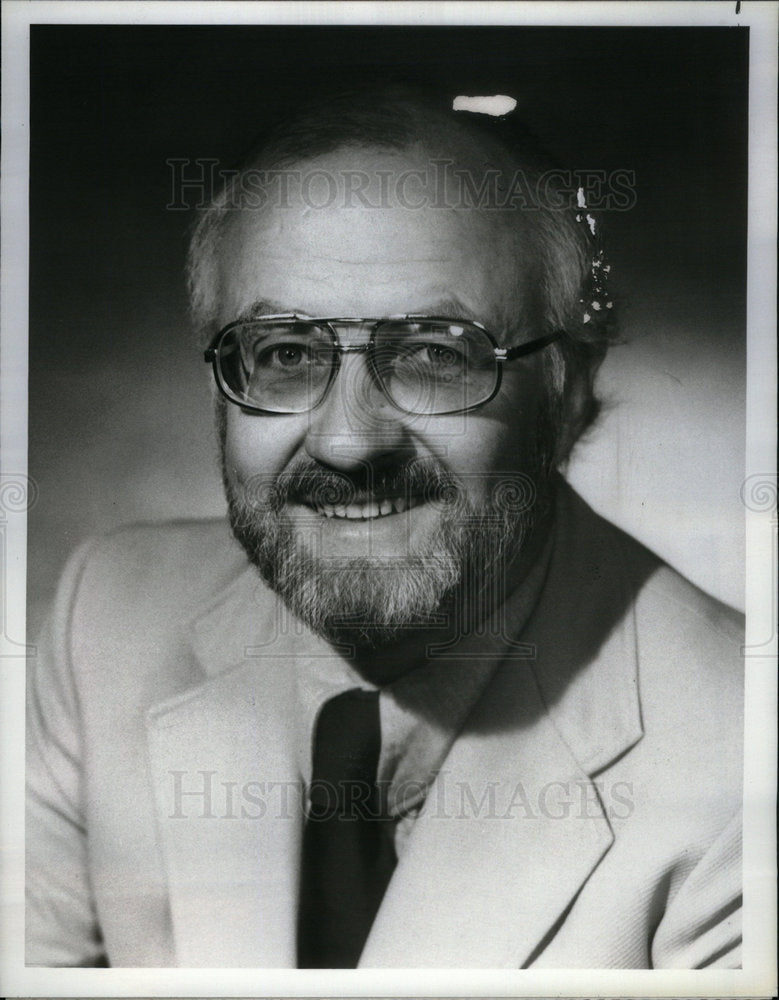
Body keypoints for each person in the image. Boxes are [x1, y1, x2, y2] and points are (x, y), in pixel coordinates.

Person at [26, 88, 743, 969]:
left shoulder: (743, 764)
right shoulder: (104, 618)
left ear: (565, 395)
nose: (347, 439)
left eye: (436, 354)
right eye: (285, 353)